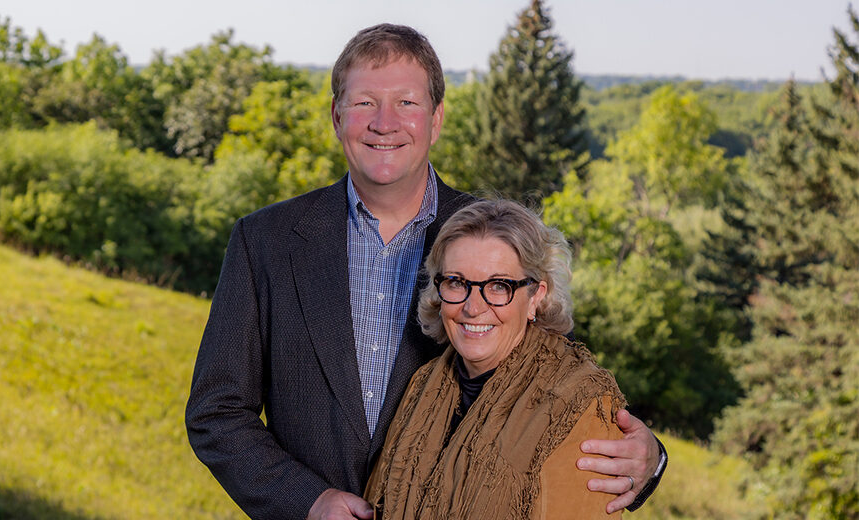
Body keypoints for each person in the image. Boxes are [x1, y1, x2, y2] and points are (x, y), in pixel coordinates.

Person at [185, 23, 665, 520]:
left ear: (435, 120)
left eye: (407, 104)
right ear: (336, 115)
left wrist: (650, 459)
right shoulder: (264, 241)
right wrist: (307, 500)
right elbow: (216, 412)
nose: (384, 123)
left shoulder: (492, 237)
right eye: (365, 102)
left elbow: (557, 384)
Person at [366, 199, 626, 519]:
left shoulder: (579, 398)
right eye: (457, 282)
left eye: (499, 286)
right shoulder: (424, 383)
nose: (473, 307)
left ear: (536, 296)